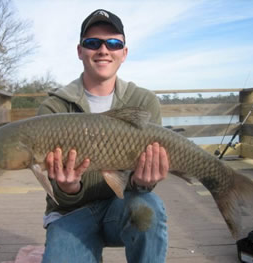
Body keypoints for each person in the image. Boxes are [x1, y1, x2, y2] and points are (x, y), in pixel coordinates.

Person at [37, 9, 169, 263]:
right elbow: (57, 193)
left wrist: (144, 183)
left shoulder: (143, 101)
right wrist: (69, 187)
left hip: (122, 207)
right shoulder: (54, 108)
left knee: (148, 206)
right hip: (70, 212)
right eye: (92, 43)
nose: (103, 50)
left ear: (124, 53)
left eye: (113, 43)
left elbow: (141, 184)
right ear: (80, 51)